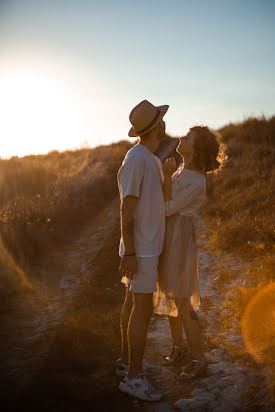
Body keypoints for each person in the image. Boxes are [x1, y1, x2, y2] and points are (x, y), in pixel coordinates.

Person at [154, 125, 221, 379]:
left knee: (182, 300)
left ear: (197, 148)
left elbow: (168, 208)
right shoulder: (183, 169)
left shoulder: (196, 180)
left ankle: (198, 358)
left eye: (188, 137)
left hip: (179, 238)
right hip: (169, 234)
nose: (181, 138)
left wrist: (167, 175)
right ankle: (178, 347)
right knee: (171, 295)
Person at [117, 100, 169, 401]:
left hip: (146, 246)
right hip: (142, 249)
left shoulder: (149, 157)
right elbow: (127, 207)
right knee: (142, 309)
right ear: (155, 127)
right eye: (161, 119)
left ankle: (127, 362)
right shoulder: (137, 158)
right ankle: (134, 377)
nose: (164, 123)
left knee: (132, 303)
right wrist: (131, 252)